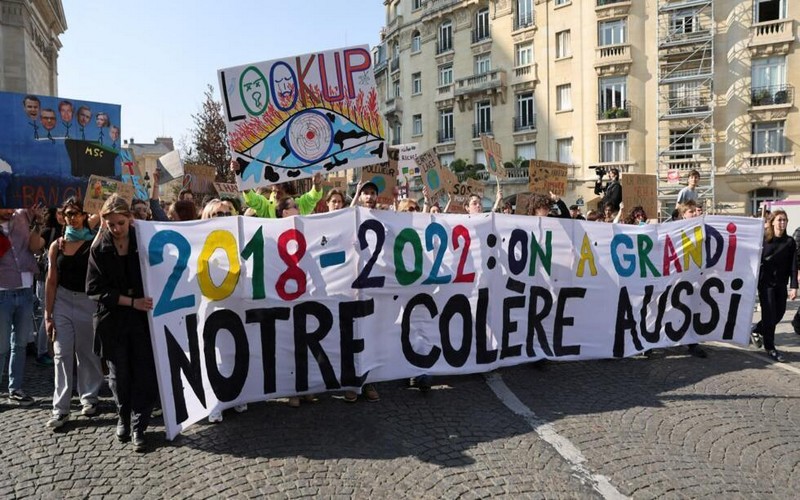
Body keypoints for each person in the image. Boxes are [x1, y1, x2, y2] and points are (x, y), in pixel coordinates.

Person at [86, 195, 157, 452]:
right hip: (113, 320)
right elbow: (94, 289)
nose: (116, 229)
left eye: (120, 223)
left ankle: (139, 426)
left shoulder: (145, 242)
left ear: (130, 220)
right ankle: (123, 418)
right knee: (119, 376)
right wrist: (131, 301)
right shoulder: (99, 248)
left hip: (141, 320)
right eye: (111, 224)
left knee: (144, 373)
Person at [44, 197, 104, 429]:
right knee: (61, 354)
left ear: (84, 215)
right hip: (62, 302)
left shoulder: (93, 242)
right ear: (63, 216)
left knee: (88, 353)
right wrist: (48, 315)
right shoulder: (57, 245)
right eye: (68, 213)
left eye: (76, 213)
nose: (72, 217)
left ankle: (89, 397)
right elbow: (51, 281)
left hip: (87, 302)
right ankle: (60, 408)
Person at [0, 206, 45, 406]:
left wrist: (38, 222)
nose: (9, 210)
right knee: (1, 346)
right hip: (2, 291)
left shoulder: (23, 215)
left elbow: (35, 247)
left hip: (26, 290)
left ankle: (15, 388)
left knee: (19, 344)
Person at [752, 210, 797, 363]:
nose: (782, 223)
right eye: (779, 220)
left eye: (784, 220)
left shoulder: (790, 242)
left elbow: (793, 265)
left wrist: (794, 286)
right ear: (772, 222)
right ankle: (770, 347)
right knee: (769, 314)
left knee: (780, 312)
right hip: (766, 284)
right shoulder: (764, 240)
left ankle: (757, 329)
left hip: (781, 283)